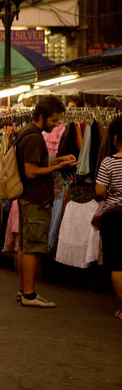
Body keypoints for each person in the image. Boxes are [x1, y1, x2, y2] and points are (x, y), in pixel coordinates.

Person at [16, 96, 77, 307]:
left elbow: (36, 163)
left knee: (25, 245)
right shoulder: (34, 137)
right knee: (33, 247)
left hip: (28, 198)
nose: (56, 125)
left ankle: (24, 290)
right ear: (41, 116)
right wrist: (57, 167)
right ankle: (29, 295)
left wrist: (58, 159)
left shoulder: (26, 132)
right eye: (53, 120)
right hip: (36, 199)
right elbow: (32, 171)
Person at [95, 116, 122, 320]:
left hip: (115, 216)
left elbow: (100, 191)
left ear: (115, 137)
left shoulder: (110, 161)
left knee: (118, 263)